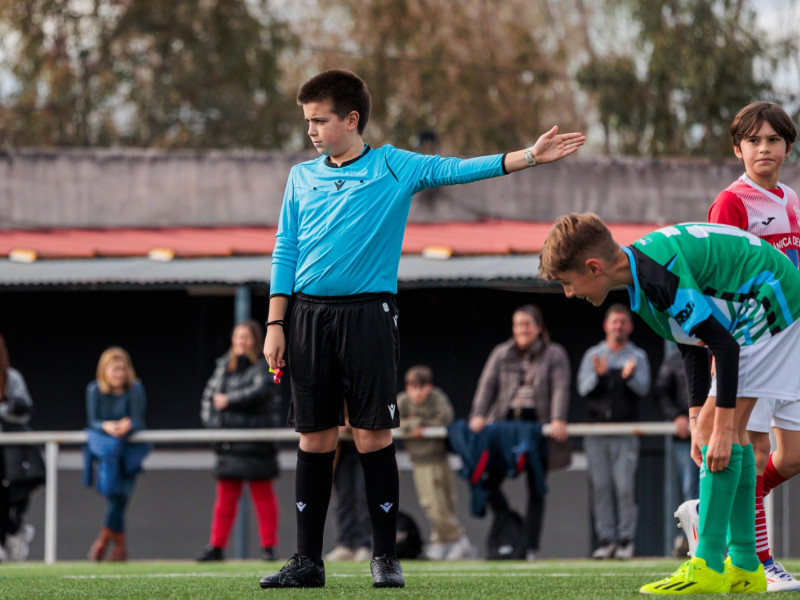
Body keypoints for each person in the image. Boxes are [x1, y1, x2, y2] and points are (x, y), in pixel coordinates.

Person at [259, 68, 585, 589]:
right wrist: (276, 322)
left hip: (368, 315)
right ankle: (307, 561)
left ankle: (384, 558)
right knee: (315, 438)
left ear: (352, 119)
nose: (312, 131)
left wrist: (526, 156)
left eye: (319, 120)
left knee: (371, 434)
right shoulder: (301, 177)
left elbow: (456, 170)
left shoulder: (393, 166)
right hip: (305, 317)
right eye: (307, 122)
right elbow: (285, 250)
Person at [537, 213, 800, 594]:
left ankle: (707, 565)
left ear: (593, 268)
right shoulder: (641, 274)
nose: (568, 293)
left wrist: (718, 428)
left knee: (725, 430)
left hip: (773, 299)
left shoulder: (657, 275)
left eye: (566, 282)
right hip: (771, 299)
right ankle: (745, 565)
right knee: (726, 432)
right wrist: (697, 418)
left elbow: (724, 346)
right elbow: (692, 341)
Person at [673, 101, 800, 592]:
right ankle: (761, 562)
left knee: (790, 458)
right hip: (750, 345)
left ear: (787, 147)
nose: (763, 148)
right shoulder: (731, 203)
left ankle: (710, 509)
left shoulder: (790, 198)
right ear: (737, 148)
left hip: (788, 342)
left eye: (773, 140)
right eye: (753, 141)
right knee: (754, 445)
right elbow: (713, 286)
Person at [469, 304, 571, 561]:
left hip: (539, 428)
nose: (522, 330)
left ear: (538, 327)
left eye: (527, 324)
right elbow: (486, 384)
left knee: (537, 488)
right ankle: (507, 518)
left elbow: (560, 387)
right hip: (505, 429)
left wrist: (558, 418)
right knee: (486, 480)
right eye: (517, 325)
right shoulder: (501, 353)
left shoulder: (554, 353)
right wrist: (478, 415)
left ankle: (530, 547)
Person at [196, 320, 282, 562]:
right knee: (225, 498)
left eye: (246, 337)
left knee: (263, 495)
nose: (241, 342)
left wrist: (229, 402)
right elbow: (209, 400)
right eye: (237, 337)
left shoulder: (267, 365)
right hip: (229, 442)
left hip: (257, 440)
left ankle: (268, 548)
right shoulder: (223, 366)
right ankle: (216, 547)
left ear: (256, 340)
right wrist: (217, 428)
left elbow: (263, 391)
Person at [577, 303, 650, 560]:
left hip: (626, 432)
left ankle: (625, 540)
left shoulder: (637, 356)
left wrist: (628, 377)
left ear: (629, 326)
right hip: (596, 432)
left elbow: (643, 388)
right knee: (601, 487)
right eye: (614, 321)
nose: (618, 326)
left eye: (623, 321)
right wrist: (599, 376)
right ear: (606, 326)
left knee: (624, 487)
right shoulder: (593, 355)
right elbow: (583, 389)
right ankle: (606, 539)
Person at [398, 365, 471, 561]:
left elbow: (445, 417)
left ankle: (447, 540)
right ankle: (454, 540)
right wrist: (413, 425)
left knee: (446, 503)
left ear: (429, 387)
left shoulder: (437, 397)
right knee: (431, 504)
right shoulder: (403, 400)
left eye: (421, 387)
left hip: (440, 459)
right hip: (420, 462)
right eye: (412, 387)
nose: (417, 393)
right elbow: (394, 418)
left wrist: (422, 424)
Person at [84, 347, 149, 562]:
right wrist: (107, 427)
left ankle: (104, 540)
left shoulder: (136, 389)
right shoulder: (94, 390)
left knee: (121, 497)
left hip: (130, 452)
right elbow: (93, 421)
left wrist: (126, 425)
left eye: (122, 369)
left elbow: (139, 420)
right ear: (105, 370)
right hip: (109, 453)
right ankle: (120, 547)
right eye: (114, 369)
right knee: (116, 496)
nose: (119, 374)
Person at [653, 342, 700, 558]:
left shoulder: (716, 348)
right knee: (691, 487)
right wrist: (676, 416)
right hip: (688, 435)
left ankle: (719, 539)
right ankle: (695, 539)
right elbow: (661, 392)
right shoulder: (674, 359)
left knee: (721, 487)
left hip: (715, 430)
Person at [0, 333, 42, 562]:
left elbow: (24, 411)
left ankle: (15, 531)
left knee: (14, 492)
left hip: (11, 448)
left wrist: (9, 408)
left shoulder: (11, 377)